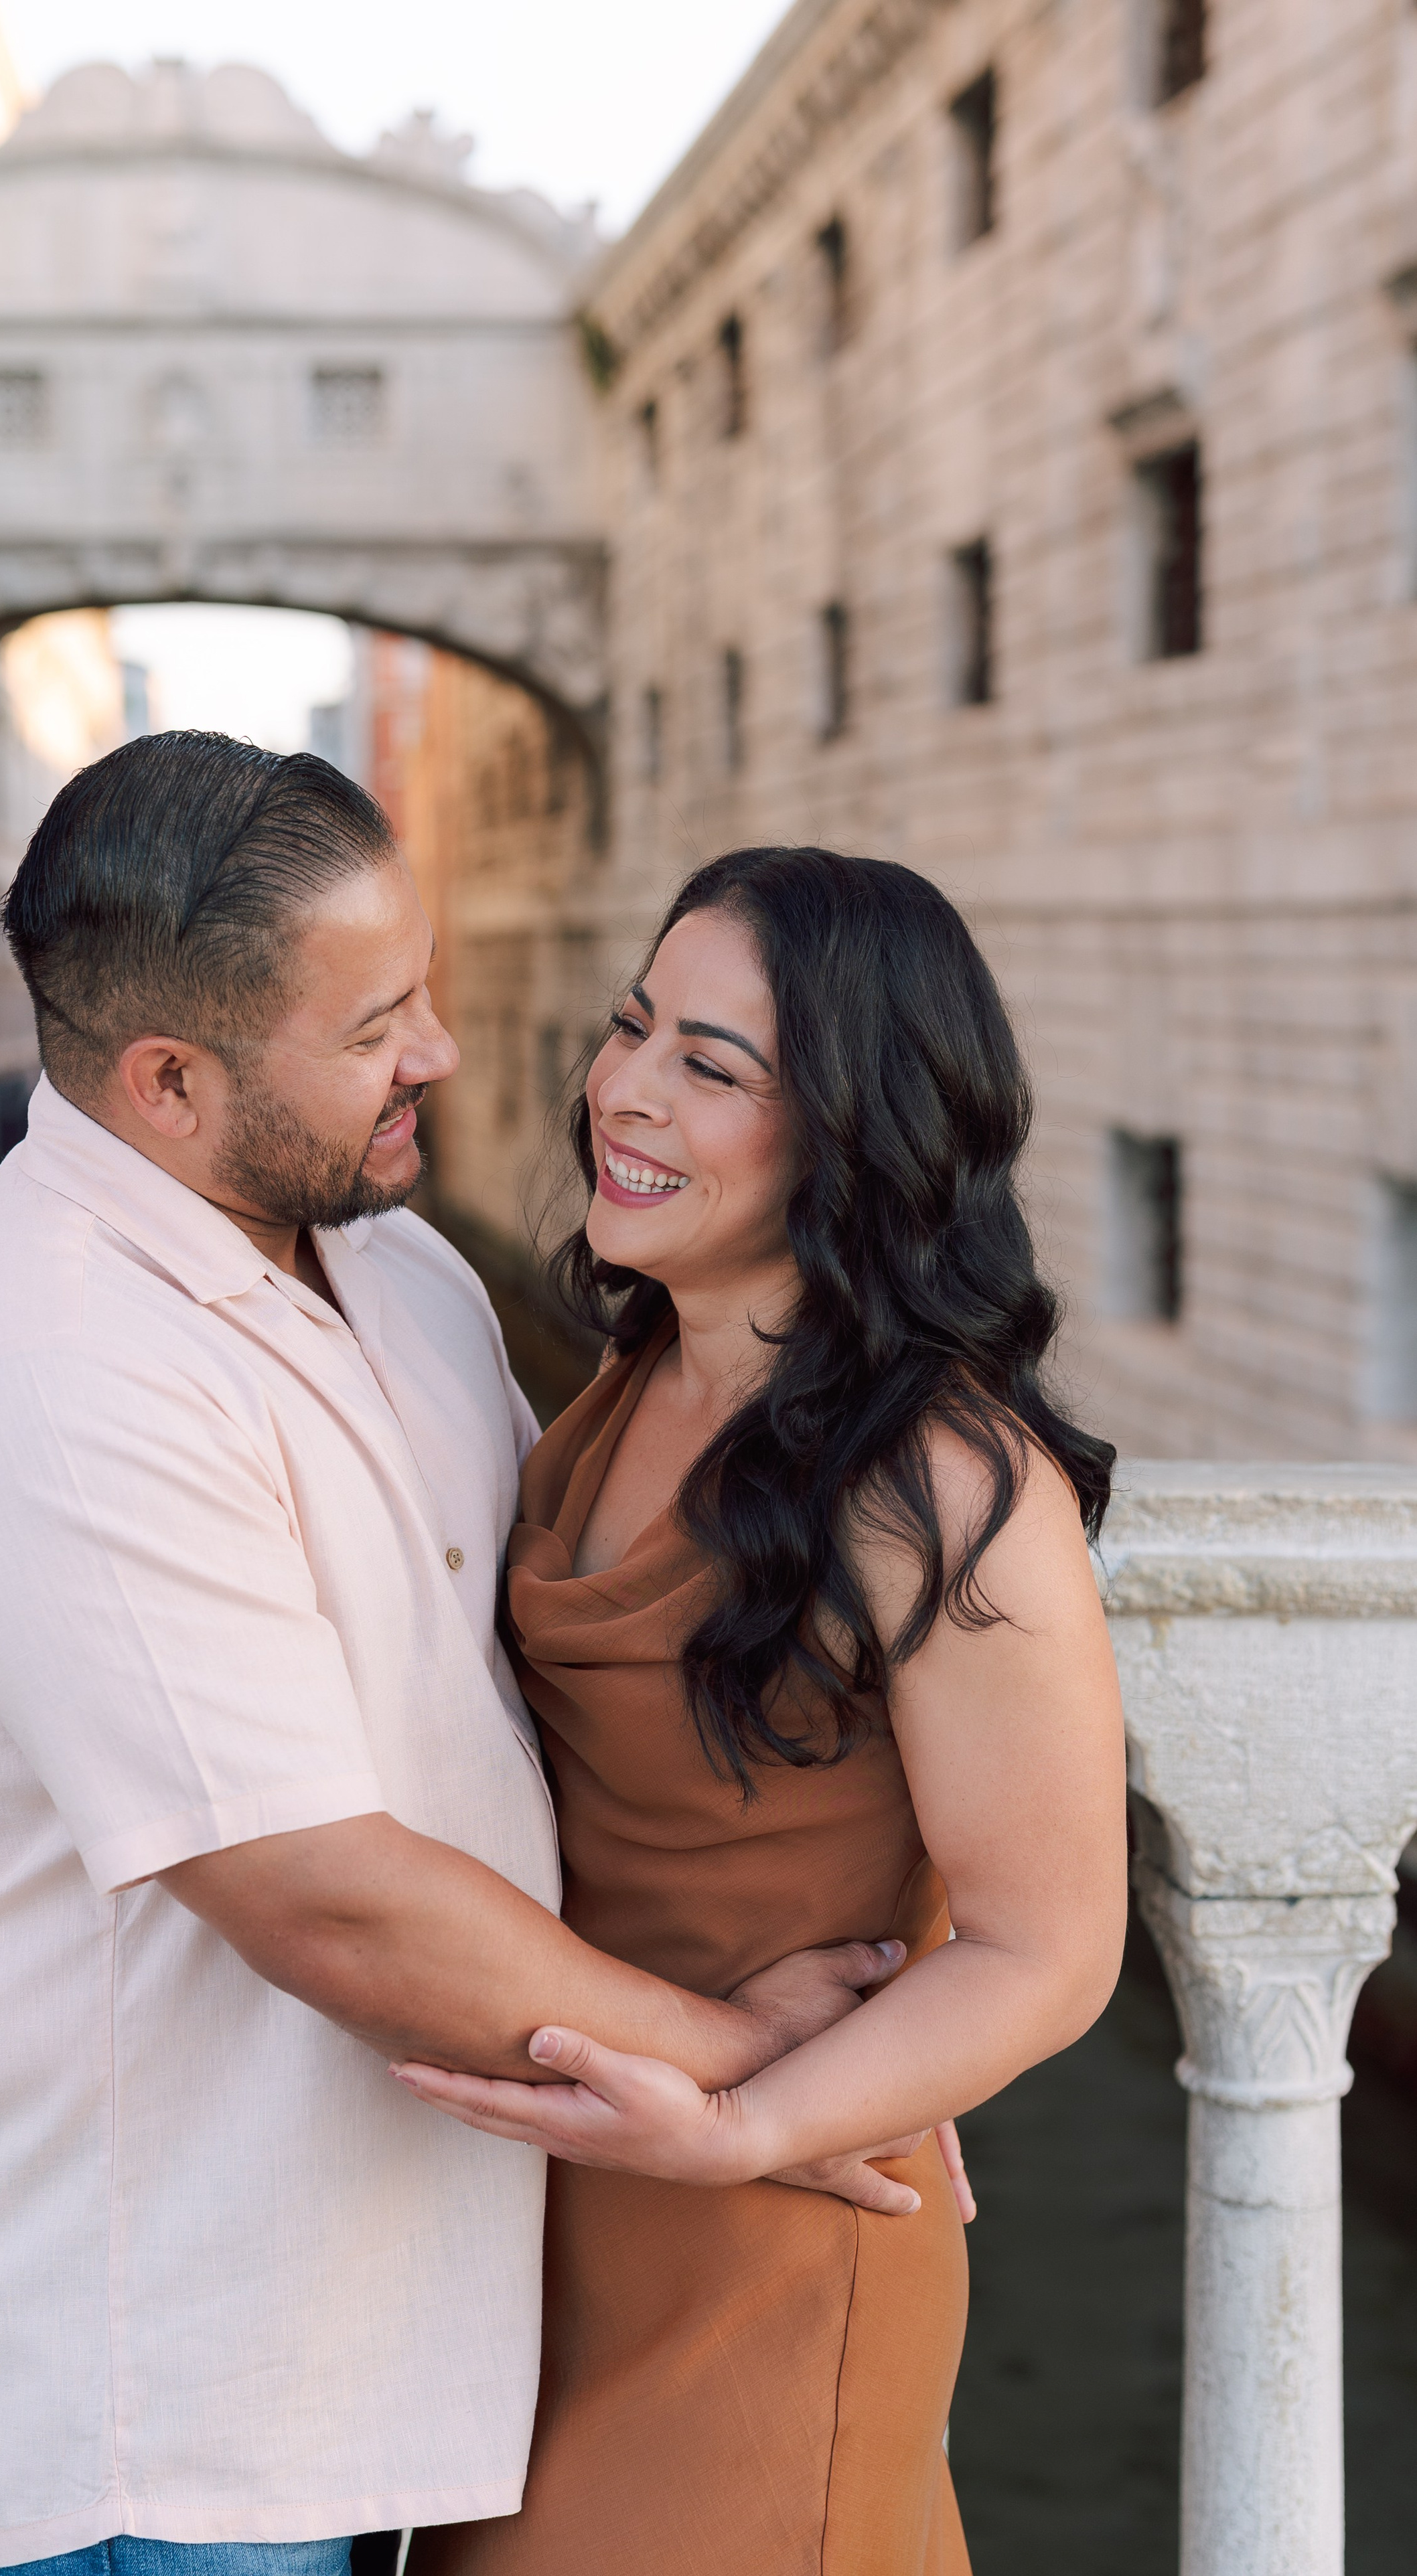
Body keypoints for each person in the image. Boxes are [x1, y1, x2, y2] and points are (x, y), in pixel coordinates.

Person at [0, 742, 912, 2576]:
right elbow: (322, 1895)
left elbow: (541, 1660)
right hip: (168, 2419)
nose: (438, 1054)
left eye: (424, 993)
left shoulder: (400, 1267)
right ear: (168, 1083)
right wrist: (748, 2078)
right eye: (375, 1026)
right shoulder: (56, 1375)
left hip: (407, 2338)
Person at [398, 848, 1130, 2576]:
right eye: (634, 1026)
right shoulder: (636, 1369)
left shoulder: (941, 1476)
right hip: (563, 2213)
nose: (623, 1092)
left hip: (774, 2230)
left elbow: (1053, 1946)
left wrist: (742, 2122)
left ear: (851, 1134)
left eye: (712, 1068)